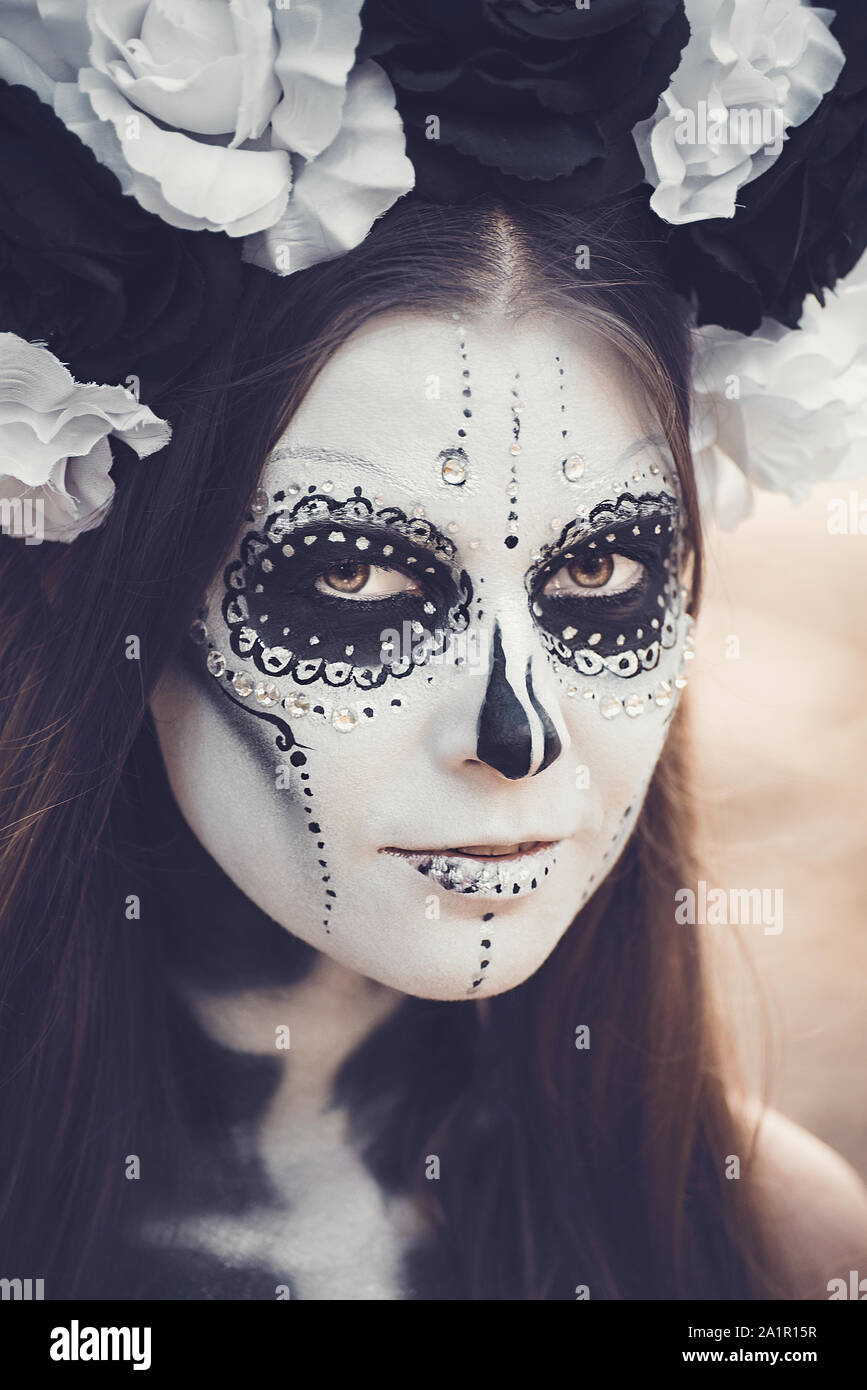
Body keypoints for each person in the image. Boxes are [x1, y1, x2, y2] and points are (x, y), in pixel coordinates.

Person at [1, 1, 866, 1303]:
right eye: (354, 572)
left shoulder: (774, 1249)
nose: (519, 736)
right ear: (91, 570)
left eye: (597, 567)